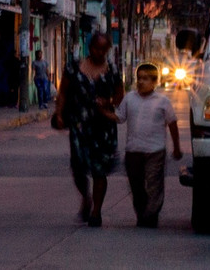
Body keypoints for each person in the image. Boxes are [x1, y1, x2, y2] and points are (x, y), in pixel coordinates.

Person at [54, 31, 123, 226]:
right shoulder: (74, 68)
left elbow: (120, 95)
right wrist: (59, 114)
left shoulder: (113, 71)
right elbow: (63, 92)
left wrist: (108, 102)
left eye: (103, 49)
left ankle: (96, 212)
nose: (99, 52)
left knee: (99, 170)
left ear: (107, 50)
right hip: (79, 125)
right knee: (78, 167)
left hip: (104, 127)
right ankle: (86, 197)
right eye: (96, 48)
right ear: (90, 47)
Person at [116, 62, 182, 227]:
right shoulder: (129, 98)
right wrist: (103, 111)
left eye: (145, 79)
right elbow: (119, 117)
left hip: (155, 151)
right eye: (139, 78)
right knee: (136, 186)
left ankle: (151, 216)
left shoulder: (163, 101)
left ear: (154, 82)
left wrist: (176, 147)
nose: (141, 82)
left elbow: (172, 123)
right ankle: (141, 213)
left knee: (154, 186)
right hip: (133, 151)